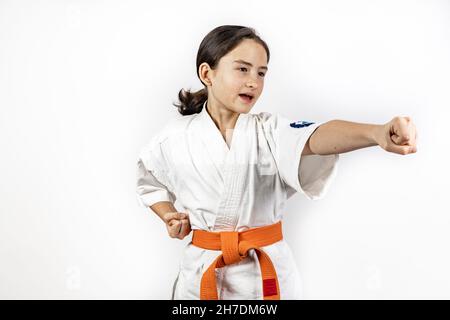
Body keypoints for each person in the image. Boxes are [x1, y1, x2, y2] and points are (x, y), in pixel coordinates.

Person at [136, 25, 418, 300]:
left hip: (265, 276)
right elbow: (150, 181)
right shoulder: (173, 137)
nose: (254, 82)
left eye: (261, 73)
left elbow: (315, 136)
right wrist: (168, 214)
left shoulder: (270, 131)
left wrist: (376, 133)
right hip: (201, 275)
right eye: (242, 69)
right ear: (207, 73)